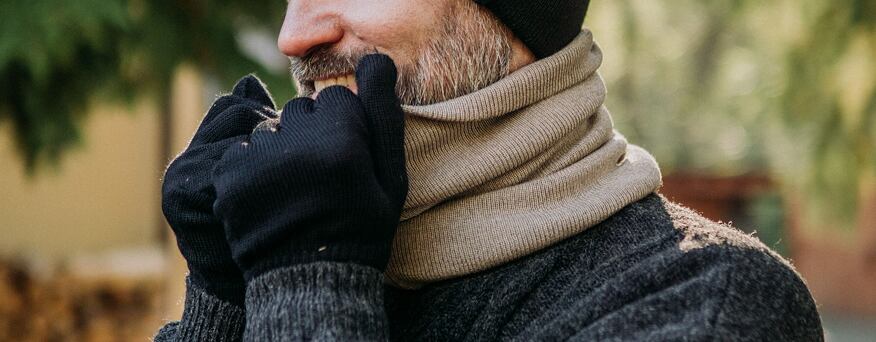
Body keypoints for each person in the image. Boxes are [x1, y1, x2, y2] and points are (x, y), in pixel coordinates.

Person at [155, 0, 824, 340]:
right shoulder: (293, 251)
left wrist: (308, 279)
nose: (294, 34)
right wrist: (224, 295)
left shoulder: (709, 304)